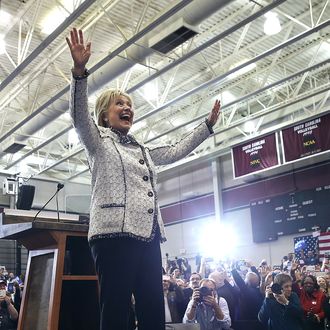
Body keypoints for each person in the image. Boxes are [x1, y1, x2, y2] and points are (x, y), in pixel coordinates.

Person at [66, 28, 221, 330]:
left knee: (152, 308)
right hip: (113, 236)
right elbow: (78, 115)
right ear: (104, 115)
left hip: (149, 237)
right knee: (116, 307)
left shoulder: (143, 149)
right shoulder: (98, 141)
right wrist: (79, 72)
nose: (127, 108)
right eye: (119, 104)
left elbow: (176, 150)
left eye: (130, 105)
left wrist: (207, 126)